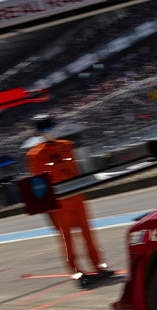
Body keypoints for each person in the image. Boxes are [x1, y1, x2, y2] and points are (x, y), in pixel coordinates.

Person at [26, 115, 111, 287]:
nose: (50, 132)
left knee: (88, 234)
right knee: (67, 239)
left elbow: (76, 170)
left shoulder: (66, 146)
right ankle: (77, 272)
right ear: (39, 133)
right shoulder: (35, 155)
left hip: (77, 196)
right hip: (59, 202)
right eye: (45, 129)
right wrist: (46, 209)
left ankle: (99, 267)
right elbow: (38, 184)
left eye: (51, 127)